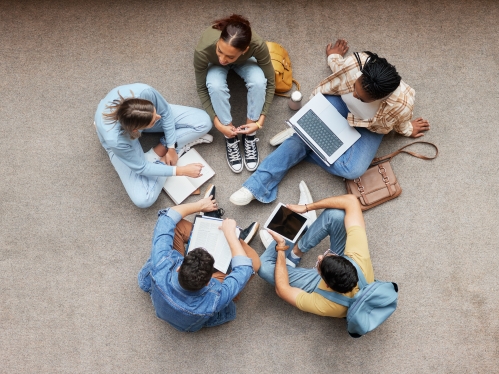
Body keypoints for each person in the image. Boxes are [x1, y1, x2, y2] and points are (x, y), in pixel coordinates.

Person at [229, 39, 430, 205]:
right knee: (310, 139)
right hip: (337, 103)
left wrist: (407, 129)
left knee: (352, 170)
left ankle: (302, 137)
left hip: (370, 125)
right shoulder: (358, 63)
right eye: (355, 87)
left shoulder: (402, 105)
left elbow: (400, 121)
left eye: (360, 97)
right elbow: (340, 69)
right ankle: (255, 185)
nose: (354, 94)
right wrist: (334, 56)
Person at [138, 186, 261, 332]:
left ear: (179, 267)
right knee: (254, 261)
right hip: (198, 318)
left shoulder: (162, 264)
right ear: (210, 280)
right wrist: (230, 236)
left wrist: (200, 205)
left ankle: (213, 225)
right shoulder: (214, 300)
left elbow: (167, 218)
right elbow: (245, 269)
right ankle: (230, 237)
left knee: (176, 224)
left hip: (161, 291)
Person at [94, 83, 213, 208]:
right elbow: (141, 168)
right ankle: (162, 159)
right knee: (143, 199)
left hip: (138, 121)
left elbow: (165, 112)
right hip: (122, 139)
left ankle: (162, 148)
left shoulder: (145, 92)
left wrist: (171, 147)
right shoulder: (116, 141)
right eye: (153, 121)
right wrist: (180, 171)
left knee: (204, 122)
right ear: (136, 130)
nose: (159, 117)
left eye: (154, 112)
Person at [257, 193, 373, 318]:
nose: (319, 257)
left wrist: (280, 246)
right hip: (346, 275)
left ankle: (290, 235)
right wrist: (307, 207)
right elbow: (351, 200)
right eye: (327, 255)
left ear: (326, 284)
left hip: (328, 291)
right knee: (336, 215)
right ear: (347, 260)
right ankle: (295, 254)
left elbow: (282, 290)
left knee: (264, 267)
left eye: (319, 264)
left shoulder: (327, 304)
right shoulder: (358, 255)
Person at [194, 14, 275, 173]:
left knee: (259, 82)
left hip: (244, 62)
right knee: (214, 85)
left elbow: (271, 82)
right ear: (218, 43)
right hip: (213, 66)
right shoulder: (203, 51)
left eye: (229, 56)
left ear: (245, 50)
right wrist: (218, 124)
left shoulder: (257, 45)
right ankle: (229, 134)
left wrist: (259, 122)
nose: (223, 59)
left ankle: (249, 132)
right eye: (220, 50)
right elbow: (202, 88)